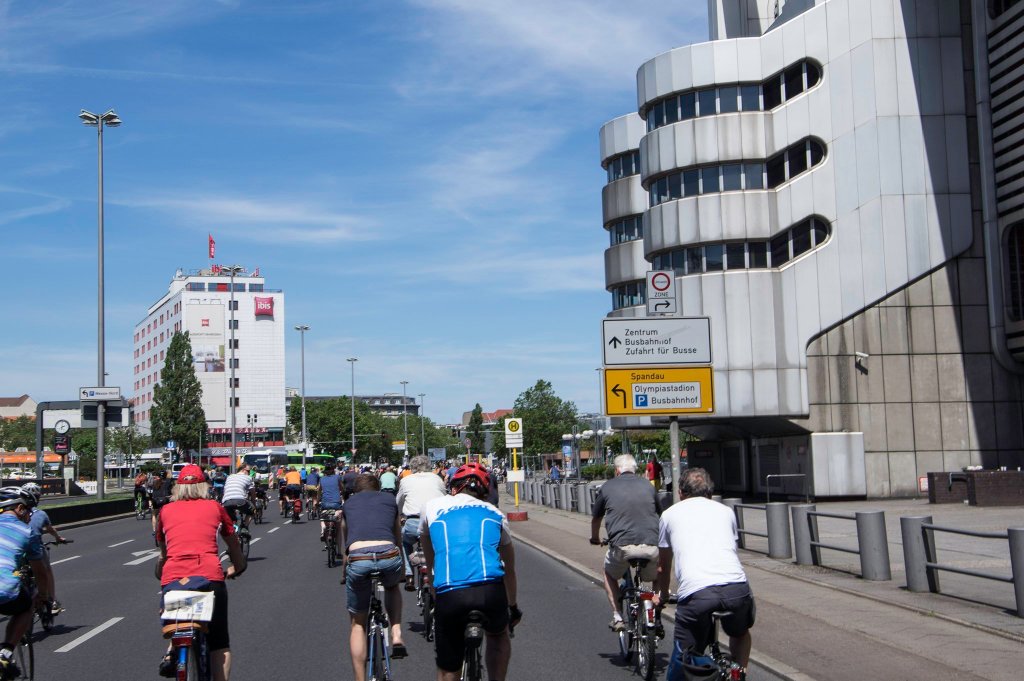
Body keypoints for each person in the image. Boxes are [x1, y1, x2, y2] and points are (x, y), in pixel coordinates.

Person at [420, 463, 521, 681]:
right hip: (490, 591)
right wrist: (513, 607)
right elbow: (509, 569)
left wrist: (434, 583)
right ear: (485, 492)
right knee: (498, 635)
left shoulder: (432, 507)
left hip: (450, 592)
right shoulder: (495, 513)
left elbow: (429, 548)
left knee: (448, 668)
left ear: (453, 486)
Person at [655, 468, 754, 681]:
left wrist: (662, 595)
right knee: (740, 633)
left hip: (697, 594)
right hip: (736, 589)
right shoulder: (726, 511)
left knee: (684, 653)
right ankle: (739, 674)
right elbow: (730, 549)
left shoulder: (669, 514)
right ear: (710, 492)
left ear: (680, 492)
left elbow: (663, 564)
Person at [155, 465, 246, 681]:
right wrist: (238, 566)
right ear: (204, 485)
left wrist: (162, 569)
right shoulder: (215, 507)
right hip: (209, 577)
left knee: (179, 619)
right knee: (219, 643)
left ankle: (171, 653)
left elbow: (163, 551)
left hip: (174, 578)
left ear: (178, 487)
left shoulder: (166, 511)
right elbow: (232, 543)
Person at [339, 474, 407, 681]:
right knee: (393, 586)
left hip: (359, 558)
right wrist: (402, 568)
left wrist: (345, 568)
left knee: (358, 624)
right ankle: (396, 634)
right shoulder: (389, 501)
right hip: (388, 554)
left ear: (356, 490)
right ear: (378, 488)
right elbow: (397, 536)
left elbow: (346, 543)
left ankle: (360, 678)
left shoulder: (348, 504)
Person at [589, 453, 661, 633]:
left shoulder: (607, 487)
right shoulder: (648, 486)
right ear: (635, 469)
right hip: (650, 545)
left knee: (609, 573)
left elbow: (596, 518)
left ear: (616, 470)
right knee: (659, 571)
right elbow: (660, 513)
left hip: (621, 546)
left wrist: (595, 538)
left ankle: (618, 616)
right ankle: (656, 609)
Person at [0, 487, 53, 679]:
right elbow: (40, 571)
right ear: (20, 509)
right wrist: (43, 596)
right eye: (29, 511)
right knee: (26, 604)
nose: (30, 516)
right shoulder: (26, 531)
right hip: (4, 588)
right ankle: (5, 652)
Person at [395, 455, 446, 590]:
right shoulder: (437, 479)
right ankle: (441, 573)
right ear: (428, 466)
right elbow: (445, 497)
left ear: (412, 468)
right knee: (440, 545)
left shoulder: (406, 480)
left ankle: (409, 575)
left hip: (413, 522)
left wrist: (400, 514)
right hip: (435, 522)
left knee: (404, 543)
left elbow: (398, 502)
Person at [20, 483, 65, 612]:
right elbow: (50, 529)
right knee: (47, 571)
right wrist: (58, 538)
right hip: (35, 549)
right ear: (37, 498)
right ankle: (53, 600)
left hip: (17, 548)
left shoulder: (15, 512)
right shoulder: (41, 514)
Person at [220, 464, 256, 531]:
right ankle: (244, 528)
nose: (249, 473)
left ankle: (233, 529)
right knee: (252, 511)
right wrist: (254, 503)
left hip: (226, 501)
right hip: (240, 500)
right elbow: (253, 492)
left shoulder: (230, 476)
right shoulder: (248, 478)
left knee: (231, 518)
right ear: (243, 470)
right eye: (248, 471)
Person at [317, 463, 344, 543]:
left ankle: (323, 528)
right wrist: (342, 492)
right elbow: (342, 488)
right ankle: (339, 551)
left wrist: (318, 501)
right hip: (336, 503)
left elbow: (318, 491)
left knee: (322, 515)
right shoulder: (337, 477)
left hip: (325, 503)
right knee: (338, 521)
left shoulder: (322, 479)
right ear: (333, 470)